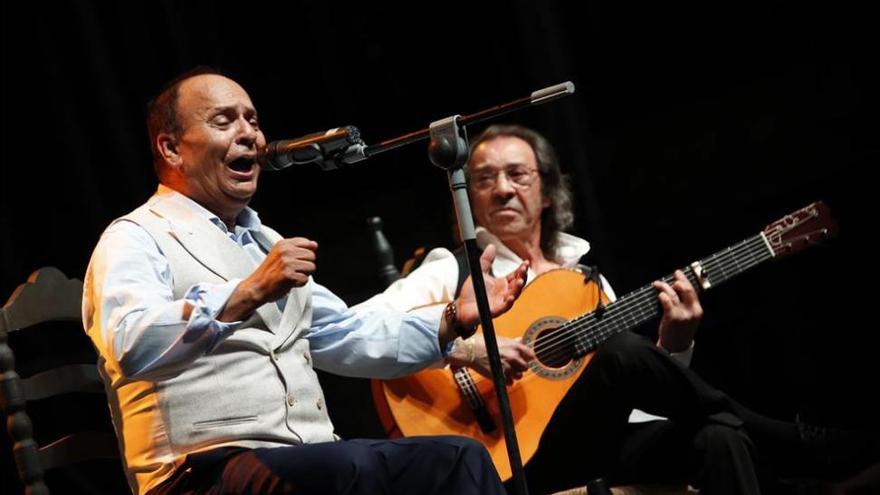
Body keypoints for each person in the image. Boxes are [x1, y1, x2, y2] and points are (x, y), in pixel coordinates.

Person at [356, 124, 878, 494]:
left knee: (718, 438)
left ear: (547, 191)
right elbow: (363, 331)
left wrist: (675, 345)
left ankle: (778, 448)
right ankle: (791, 442)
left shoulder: (584, 278)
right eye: (484, 178)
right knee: (623, 353)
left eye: (517, 174)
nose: (501, 188)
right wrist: (469, 348)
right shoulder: (453, 270)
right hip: (509, 461)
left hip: (592, 443)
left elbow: (640, 399)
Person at [81, 67, 530, 495]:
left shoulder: (263, 242)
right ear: (172, 148)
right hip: (195, 472)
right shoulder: (136, 237)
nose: (249, 135)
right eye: (224, 120)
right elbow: (130, 343)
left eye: (252, 120)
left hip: (304, 458)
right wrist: (247, 292)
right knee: (352, 469)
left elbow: (345, 333)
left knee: (458, 458)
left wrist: (453, 318)